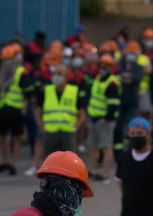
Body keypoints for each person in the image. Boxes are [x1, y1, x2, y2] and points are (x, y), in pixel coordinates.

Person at [0, 44, 33, 176]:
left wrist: (24, 109)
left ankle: (13, 164)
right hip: (3, 109)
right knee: (2, 136)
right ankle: (5, 161)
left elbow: (27, 93)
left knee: (16, 137)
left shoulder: (21, 72)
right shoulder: (2, 73)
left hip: (16, 109)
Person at [35, 64, 85, 158]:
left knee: (69, 161)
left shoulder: (74, 91)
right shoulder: (45, 91)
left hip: (68, 132)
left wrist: (75, 127)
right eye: (54, 73)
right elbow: (38, 112)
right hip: (50, 131)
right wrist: (42, 127)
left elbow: (82, 114)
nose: (56, 76)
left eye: (59, 74)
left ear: (66, 76)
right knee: (49, 161)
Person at [86, 54, 121, 183]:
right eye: (101, 65)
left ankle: (105, 173)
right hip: (94, 117)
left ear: (111, 67)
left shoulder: (112, 83)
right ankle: (94, 170)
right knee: (93, 145)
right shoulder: (97, 79)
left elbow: (114, 104)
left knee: (106, 146)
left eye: (105, 66)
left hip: (105, 120)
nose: (102, 68)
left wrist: (106, 118)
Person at [114, 41, 143, 153]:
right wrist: (127, 77)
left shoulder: (139, 67)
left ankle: (131, 148)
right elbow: (119, 77)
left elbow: (135, 78)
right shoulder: (120, 66)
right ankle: (118, 149)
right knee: (118, 125)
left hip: (132, 101)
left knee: (132, 125)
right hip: (121, 101)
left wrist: (127, 77)